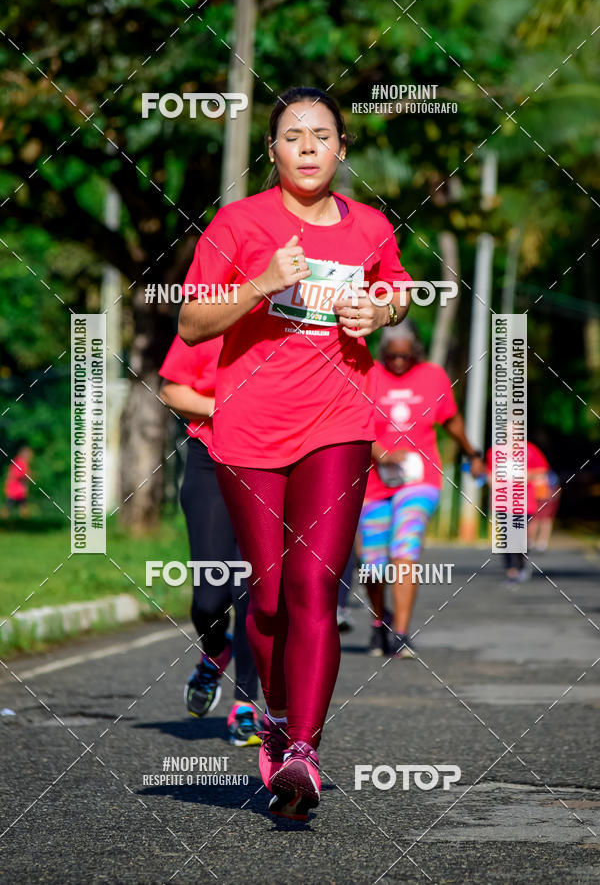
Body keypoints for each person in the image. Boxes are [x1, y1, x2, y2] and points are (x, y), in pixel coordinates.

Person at [178, 85, 413, 820]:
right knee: (271, 595)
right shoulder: (240, 222)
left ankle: (305, 749)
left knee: (316, 586)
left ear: (342, 150)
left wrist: (381, 307)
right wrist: (262, 283)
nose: (307, 147)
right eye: (292, 136)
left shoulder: (370, 226)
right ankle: (276, 725)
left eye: (321, 135)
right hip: (248, 432)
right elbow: (190, 323)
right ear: (273, 151)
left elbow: (397, 290)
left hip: (339, 422)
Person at [360, 320, 487, 658]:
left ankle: (401, 633)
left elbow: (451, 419)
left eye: (405, 355)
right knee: (372, 561)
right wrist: (382, 455)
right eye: (392, 356)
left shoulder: (433, 375)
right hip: (375, 481)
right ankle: (378, 621)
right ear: (382, 353)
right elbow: (353, 423)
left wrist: (473, 452)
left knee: (405, 543)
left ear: (416, 351)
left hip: (420, 478)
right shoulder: (367, 373)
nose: (399, 362)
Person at [159, 335, 261, 747]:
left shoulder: (292, 327)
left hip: (271, 462)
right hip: (210, 457)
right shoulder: (212, 321)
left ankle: (245, 708)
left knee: (254, 593)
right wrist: (224, 408)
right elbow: (171, 388)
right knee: (208, 600)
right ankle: (216, 650)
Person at [486, 438, 559, 582]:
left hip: (524, 501)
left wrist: (525, 476)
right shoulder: (494, 452)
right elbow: (489, 472)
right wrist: (493, 481)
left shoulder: (530, 450)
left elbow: (543, 470)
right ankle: (511, 569)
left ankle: (520, 563)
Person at [3, 445, 33, 517]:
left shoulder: (24, 463)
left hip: (20, 491)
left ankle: (25, 523)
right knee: (7, 508)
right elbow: (16, 475)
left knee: (24, 508)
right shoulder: (18, 462)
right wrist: (27, 477)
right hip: (14, 491)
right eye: (28, 454)